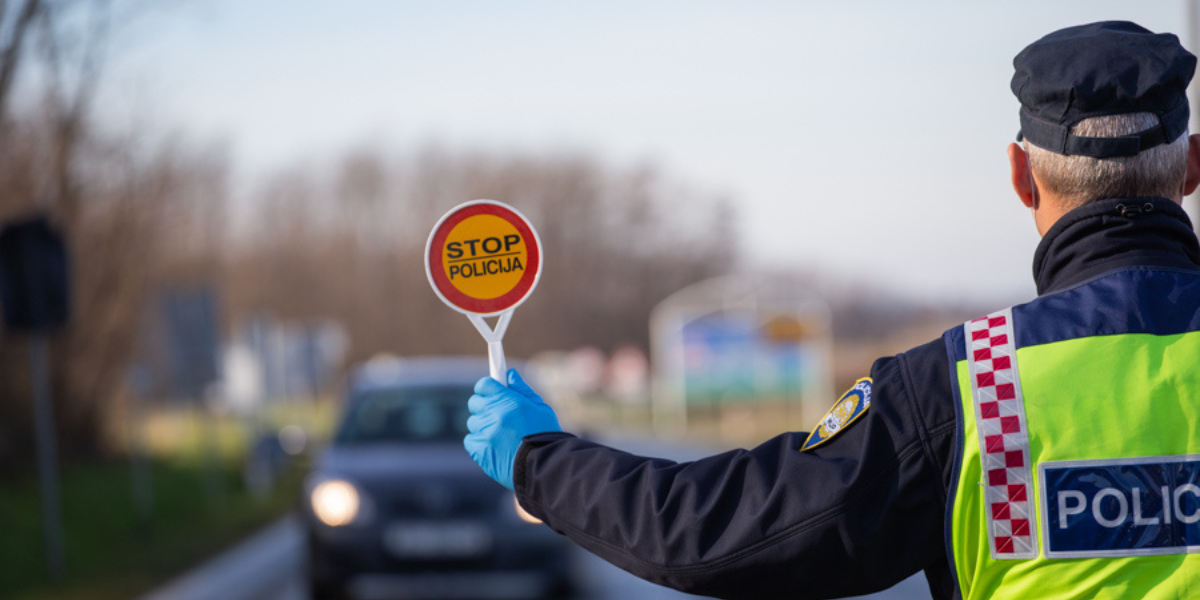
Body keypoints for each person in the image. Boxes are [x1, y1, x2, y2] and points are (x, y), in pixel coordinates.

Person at [463, 21, 1200, 600]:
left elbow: (716, 531)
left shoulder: (975, 387)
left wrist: (540, 461)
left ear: (1019, 175)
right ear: (1191, 164)